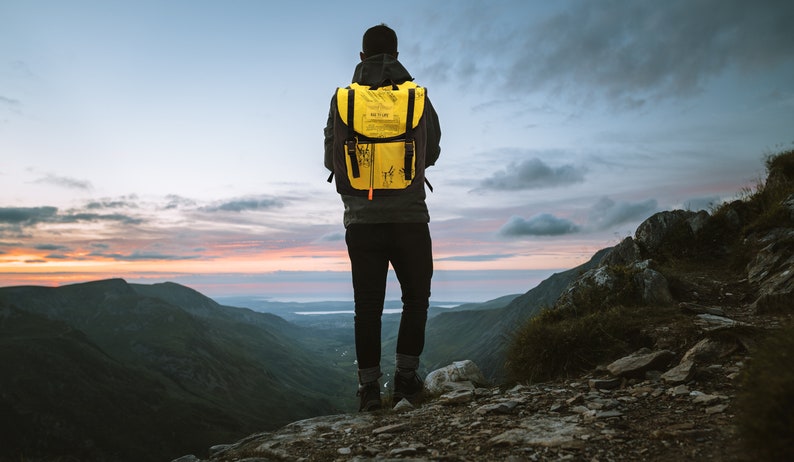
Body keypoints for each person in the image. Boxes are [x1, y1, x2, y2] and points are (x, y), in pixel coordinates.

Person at [324, 23, 441, 411]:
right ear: (397, 54)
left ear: (361, 58)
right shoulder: (417, 97)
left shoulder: (343, 100)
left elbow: (331, 160)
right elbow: (432, 152)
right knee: (416, 299)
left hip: (362, 223)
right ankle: (406, 382)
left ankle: (369, 391)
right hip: (410, 218)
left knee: (368, 307)